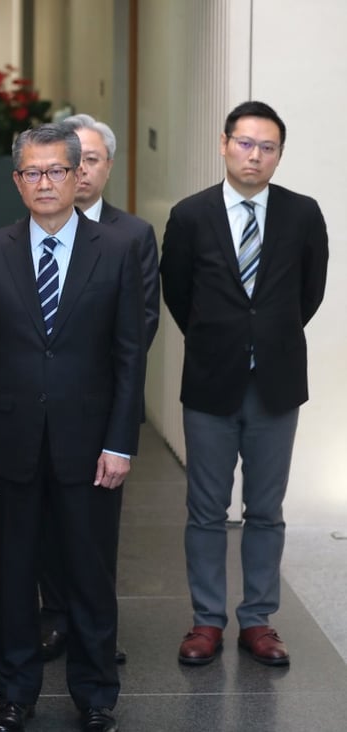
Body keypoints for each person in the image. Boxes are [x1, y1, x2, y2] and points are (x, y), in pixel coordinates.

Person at [0, 124, 145, 732]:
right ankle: (15, 693)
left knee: (90, 575)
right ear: (17, 181)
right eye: (32, 173)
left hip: (90, 445)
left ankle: (95, 695)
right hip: (10, 443)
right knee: (13, 575)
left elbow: (129, 356)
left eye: (56, 171)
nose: (44, 183)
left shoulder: (116, 249)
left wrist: (120, 442)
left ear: (77, 175)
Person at [160, 101, 328, 668]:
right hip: (211, 381)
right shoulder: (190, 215)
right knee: (206, 508)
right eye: (245, 143)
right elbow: (178, 293)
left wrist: (266, 338)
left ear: (279, 155)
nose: (254, 155)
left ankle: (258, 619)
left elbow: (309, 293)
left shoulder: (303, 214)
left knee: (266, 509)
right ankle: (207, 619)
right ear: (224, 144)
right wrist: (222, 339)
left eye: (267, 147)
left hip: (276, 383)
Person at [36, 113, 161, 665]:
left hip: (102, 402)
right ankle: (55, 614)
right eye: (73, 160)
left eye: (90, 160)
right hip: (40, 404)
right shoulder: (30, 228)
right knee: (45, 522)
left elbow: (143, 321)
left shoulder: (132, 235)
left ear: (108, 166)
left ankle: (95, 628)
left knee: (96, 528)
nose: (80, 170)